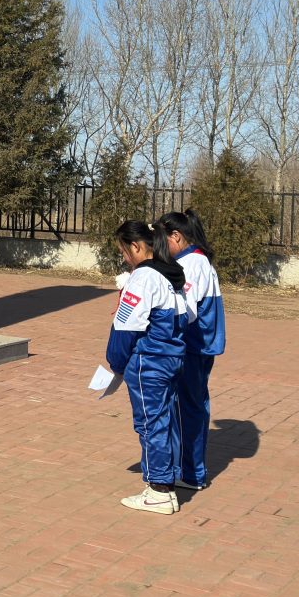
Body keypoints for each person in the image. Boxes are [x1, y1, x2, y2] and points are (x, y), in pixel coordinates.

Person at [104, 220, 191, 515]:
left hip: (148, 361)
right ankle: (167, 481)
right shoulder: (173, 276)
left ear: (137, 246)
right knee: (164, 421)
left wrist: (115, 363)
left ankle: (158, 490)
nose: (125, 259)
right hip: (171, 359)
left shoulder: (142, 278)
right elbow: (186, 320)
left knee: (150, 425)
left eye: (124, 252)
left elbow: (125, 327)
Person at [159, 209, 225, 493]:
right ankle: (191, 470)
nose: (160, 247)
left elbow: (185, 309)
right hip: (199, 346)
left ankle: (190, 472)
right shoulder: (196, 261)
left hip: (192, 346)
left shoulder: (191, 265)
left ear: (177, 236)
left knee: (189, 408)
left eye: (163, 240)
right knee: (194, 405)